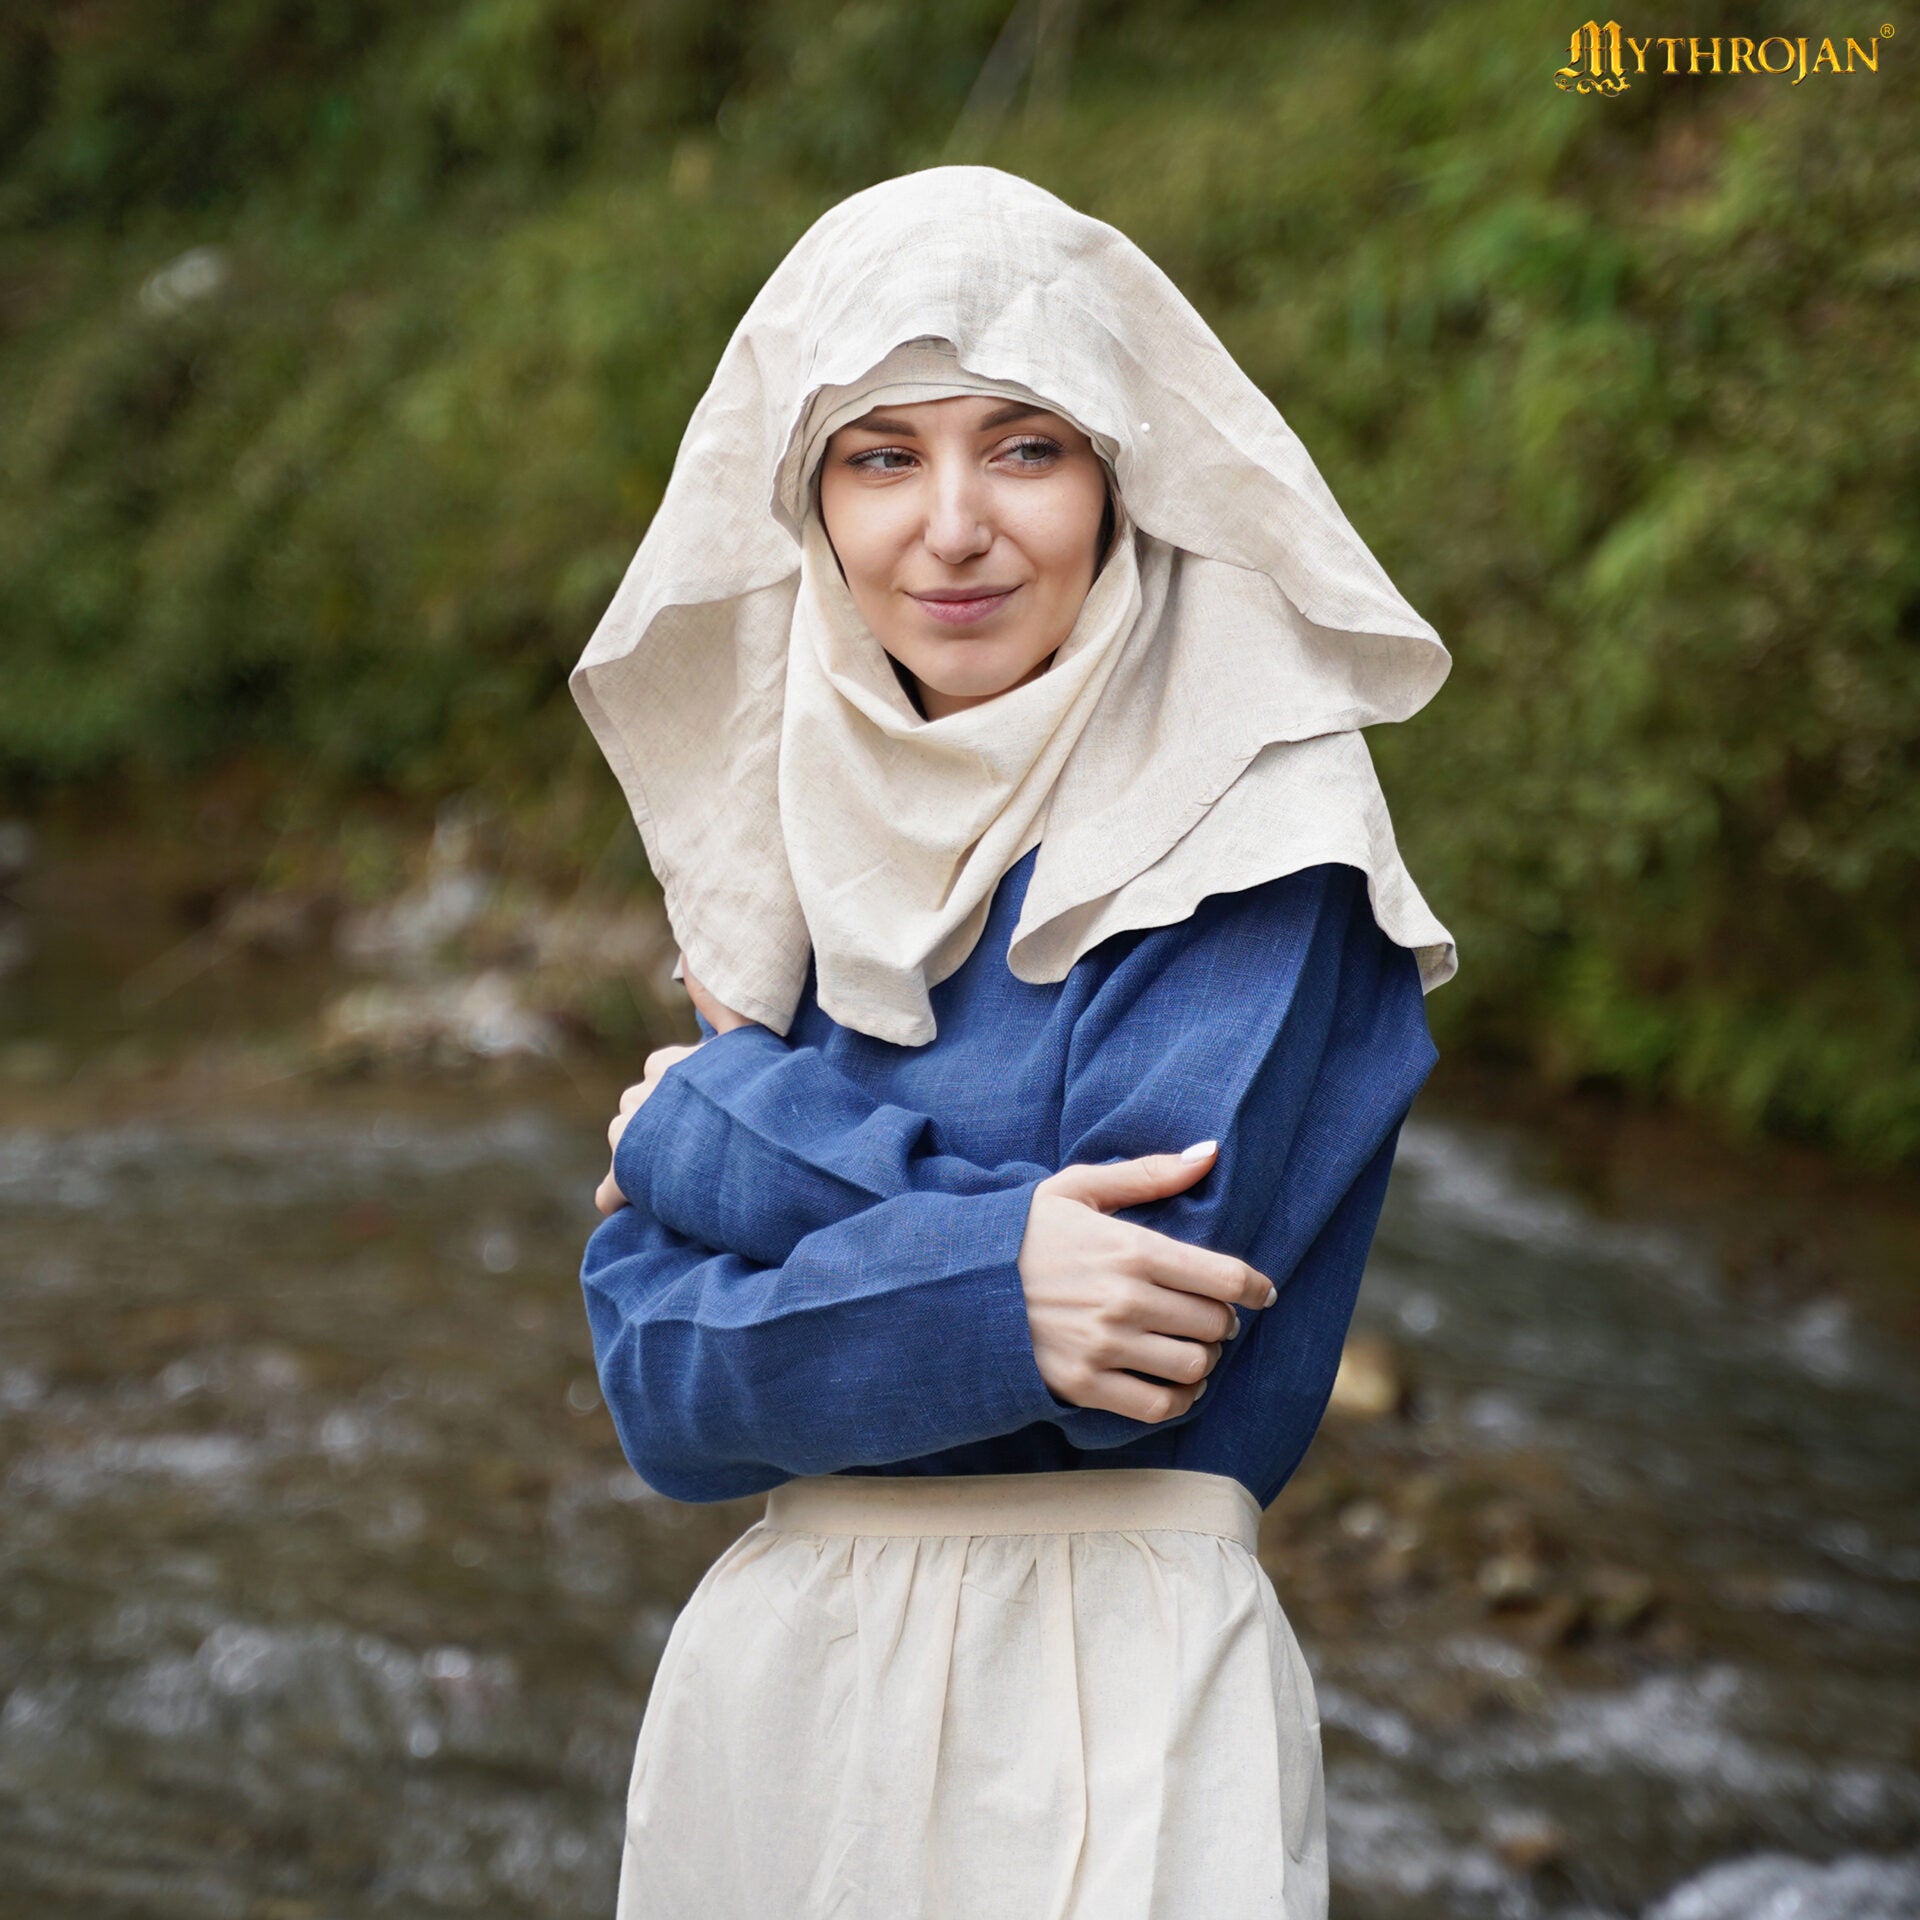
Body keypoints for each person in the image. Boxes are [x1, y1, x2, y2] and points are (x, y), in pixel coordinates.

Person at [567, 164, 1456, 1920]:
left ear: (1121, 473)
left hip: (1106, 1690)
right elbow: (657, 1389)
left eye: (1026, 447)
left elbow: (1143, 1335)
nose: (952, 525)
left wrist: (711, 1131)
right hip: (777, 1689)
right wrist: (997, 1274)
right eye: (881, 456)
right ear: (811, 503)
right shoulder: (789, 838)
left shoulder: (1251, 820)